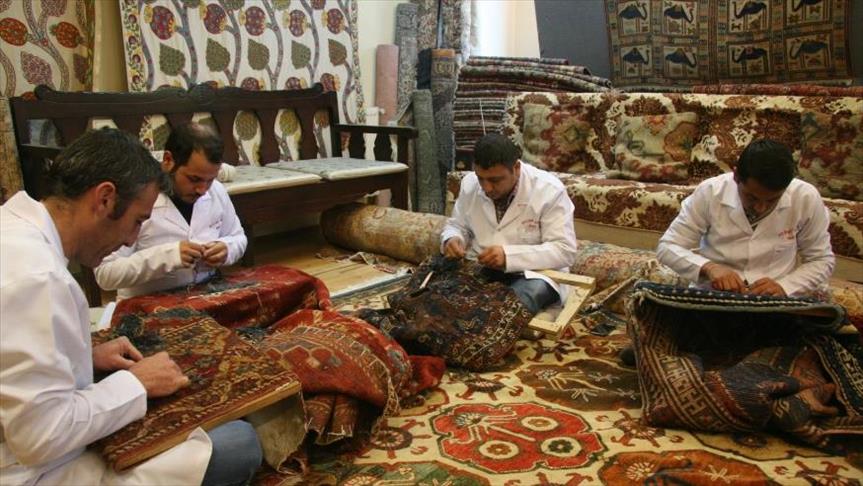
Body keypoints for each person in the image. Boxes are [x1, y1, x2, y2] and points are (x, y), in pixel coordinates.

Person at [0, 128, 261, 485]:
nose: (132, 238)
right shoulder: (38, 279)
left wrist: (84, 357)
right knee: (238, 444)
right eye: (138, 221)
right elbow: (38, 438)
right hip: (30, 470)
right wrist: (136, 383)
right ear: (105, 198)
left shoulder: (14, 227)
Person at [657, 138, 834, 297]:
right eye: (752, 197)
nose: (760, 207)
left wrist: (785, 286)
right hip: (713, 296)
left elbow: (821, 259)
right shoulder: (710, 192)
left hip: (773, 303)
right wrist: (709, 268)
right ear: (736, 176)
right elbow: (668, 246)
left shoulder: (805, 197)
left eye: (772, 200)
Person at [95, 122, 247, 299]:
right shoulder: (136, 198)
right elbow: (105, 274)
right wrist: (167, 257)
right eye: (194, 179)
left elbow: (238, 237)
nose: (202, 190)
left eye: (210, 180)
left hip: (205, 296)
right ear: (168, 160)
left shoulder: (216, 191)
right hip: (145, 304)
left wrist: (227, 249)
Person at [441, 133, 578, 314]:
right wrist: (453, 238)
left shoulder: (549, 190)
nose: (486, 187)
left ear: (516, 168)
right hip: (482, 268)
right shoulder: (470, 183)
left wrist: (509, 256)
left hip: (535, 274)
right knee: (440, 293)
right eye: (481, 178)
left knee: (511, 305)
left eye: (495, 180)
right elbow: (457, 225)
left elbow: (564, 250)